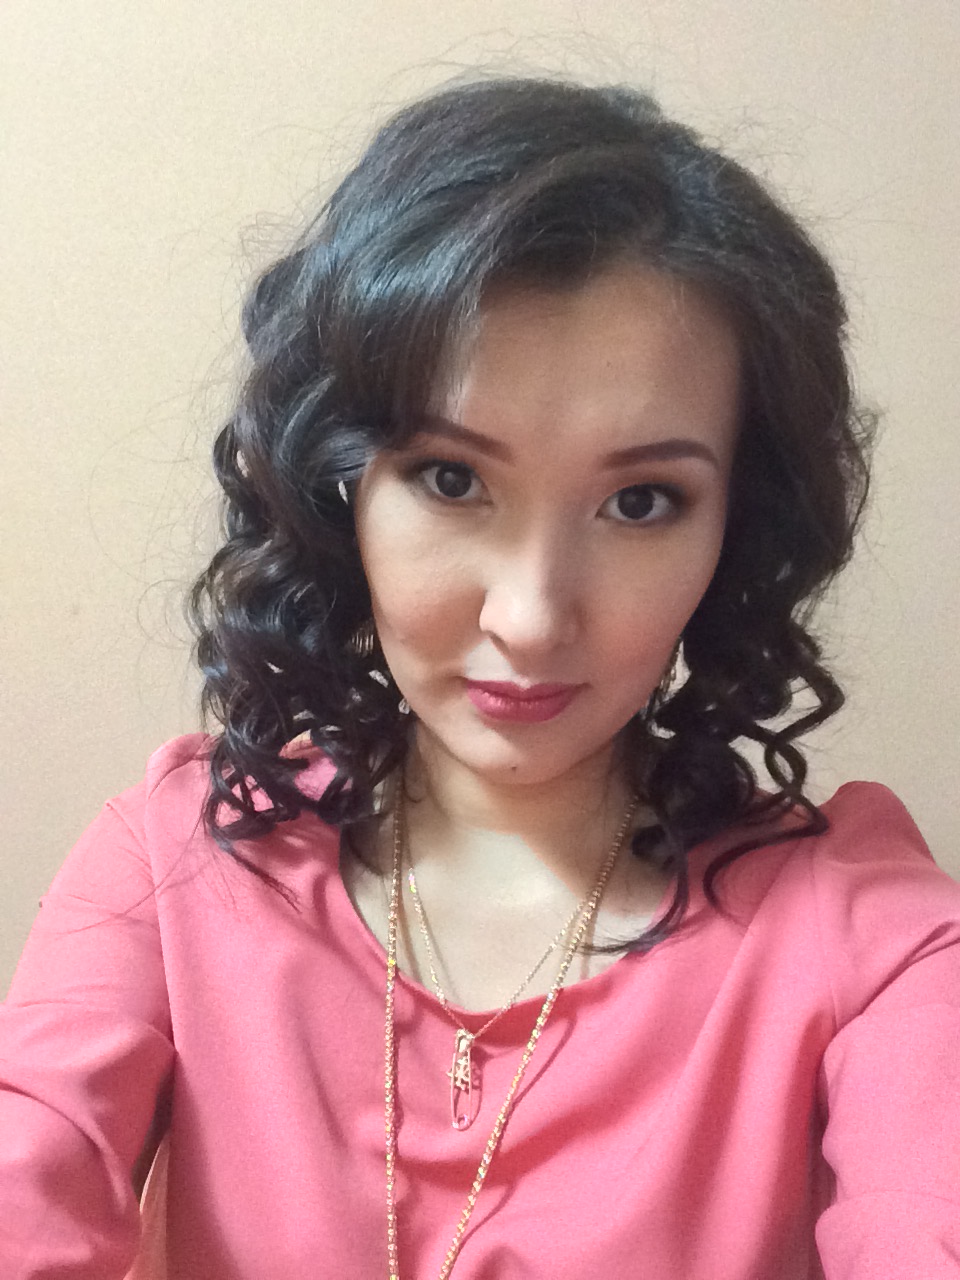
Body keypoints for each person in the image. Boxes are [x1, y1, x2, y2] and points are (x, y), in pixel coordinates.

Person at [2, 76, 959, 1280]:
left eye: (641, 500)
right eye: (452, 479)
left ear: (738, 526)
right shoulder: (178, 865)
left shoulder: (863, 932)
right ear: (341, 485)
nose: (532, 616)